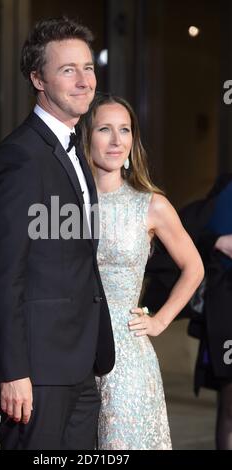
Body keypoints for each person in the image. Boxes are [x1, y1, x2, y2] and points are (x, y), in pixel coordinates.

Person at [0, 18, 115, 450]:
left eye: (88, 68)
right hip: (35, 371)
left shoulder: (74, 149)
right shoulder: (20, 157)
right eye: (67, 69)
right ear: (38, 78)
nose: (84, 80)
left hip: (80, 364)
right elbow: (1, 274)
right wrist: (13, 371)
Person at [80, 93, 204, 450]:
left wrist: (160, 321)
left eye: (125, 130)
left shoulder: (150, 204)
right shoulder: (68, 203)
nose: (117, 140)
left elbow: (193, 267)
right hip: (73, 350)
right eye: (105, 129)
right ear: (88, 136)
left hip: (127, 356)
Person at [188, 175, 232, 450]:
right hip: (227, 310)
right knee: (231, 405)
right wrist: (218, 241)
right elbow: (192, 228)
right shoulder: (226, 189)